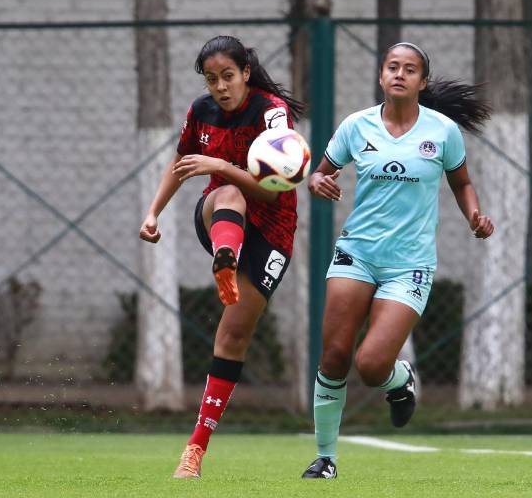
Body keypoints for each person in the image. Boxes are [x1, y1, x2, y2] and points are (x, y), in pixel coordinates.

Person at [300, 42, 494, 479]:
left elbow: (462, 183)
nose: (399, 74)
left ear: (423, 82)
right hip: (357, 252)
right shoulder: (356, 126)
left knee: (370, 366)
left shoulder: (443, 131)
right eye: (392, 67)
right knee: (333, 357)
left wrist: (475, 216)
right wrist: (317, 181)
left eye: (410, 70)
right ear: (381, 76)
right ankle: (325, 458)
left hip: (409, 265)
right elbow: (323, 171)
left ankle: (397, 380)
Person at [138, 35, 304, 479]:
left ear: (245, 73)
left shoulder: (271, 112)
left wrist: (221, 166)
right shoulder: (201, 112)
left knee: (232, 337)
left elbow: (279, 185)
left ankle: (197, 448)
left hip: (272, 230)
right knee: (227, 191)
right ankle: (225, 258)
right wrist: (153, 212)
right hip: (220, 217)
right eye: (212, 79)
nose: (220, 87)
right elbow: (180, 165)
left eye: (227, 76)